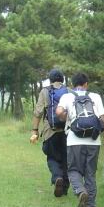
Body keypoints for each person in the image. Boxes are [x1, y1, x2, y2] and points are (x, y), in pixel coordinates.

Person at [56, 73, 104, 207]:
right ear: (86, 84)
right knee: (90, 173)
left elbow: (59, 112)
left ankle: (80, 191)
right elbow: (103, 119)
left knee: (73, 170)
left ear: (73, 84)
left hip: (74, 141)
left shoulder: (67, 97)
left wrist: (65, 116)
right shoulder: (95, 97)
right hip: (94, 141)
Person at [30, 69, 70, 197]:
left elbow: (38, 112)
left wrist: (35, 130)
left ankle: (57, 177)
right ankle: (64, 188)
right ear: (62, 79)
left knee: (52, 157)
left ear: (50, 80)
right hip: (67, 131)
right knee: (66, 159)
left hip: (50, 131)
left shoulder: (45, 91)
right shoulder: (69, 91)